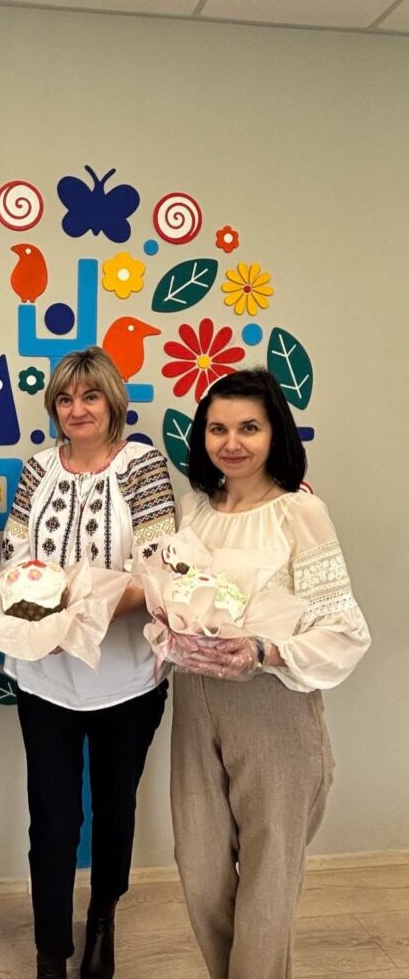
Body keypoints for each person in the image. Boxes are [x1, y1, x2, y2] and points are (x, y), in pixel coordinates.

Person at [171, 369, 371, 979]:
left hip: (274, 708)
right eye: (218, 429)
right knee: (200, 869)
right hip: (194, 702)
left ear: (274, 433)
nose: (231, 442)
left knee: (268, 879)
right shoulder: (193, 510)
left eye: (249, 428)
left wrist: (263, 651)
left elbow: (344, 630)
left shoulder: (300, 513)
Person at [1, 347, 177, 979]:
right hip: (45, 675)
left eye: (90, 396)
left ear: (113, 402)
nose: (77, 409)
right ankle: (51, 946)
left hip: (127, 677)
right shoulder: (37, 469)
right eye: (65, 399)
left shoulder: (143, 466)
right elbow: (13, 556)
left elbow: (160, 569)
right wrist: (39, 617)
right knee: (53, 817)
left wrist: (82, 616)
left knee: (115, 806)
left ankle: (103, 916)